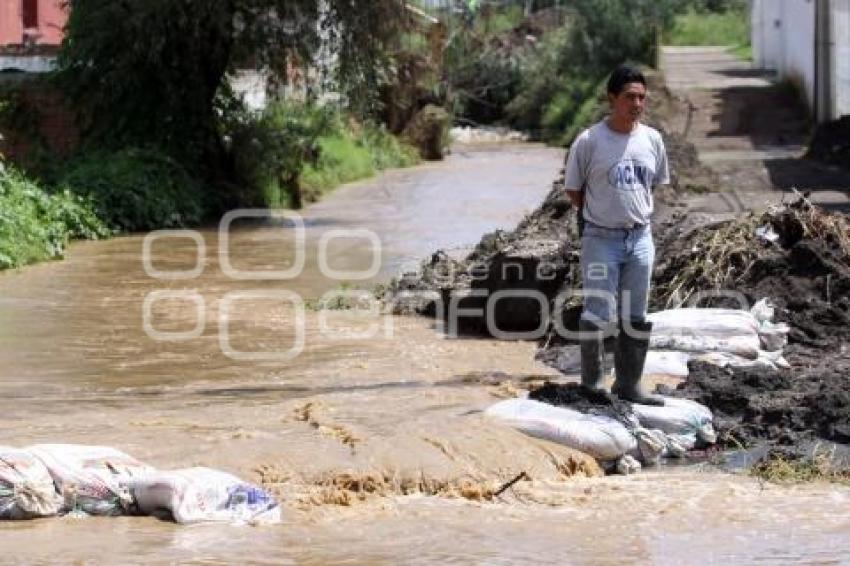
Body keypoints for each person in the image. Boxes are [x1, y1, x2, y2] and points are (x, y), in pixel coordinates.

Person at [563, 64, 670, 406]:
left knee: (636, 313)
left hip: (640, 238)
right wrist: (602, 216)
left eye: (641, 97)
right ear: (612, 99)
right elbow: (574, 192)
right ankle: (592, 384)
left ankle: (629, 384)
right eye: (629, 97)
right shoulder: (590, 141)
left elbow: (654, 185)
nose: (636, 104)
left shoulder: (652, 139)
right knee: (597, 311)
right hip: (600, 239)